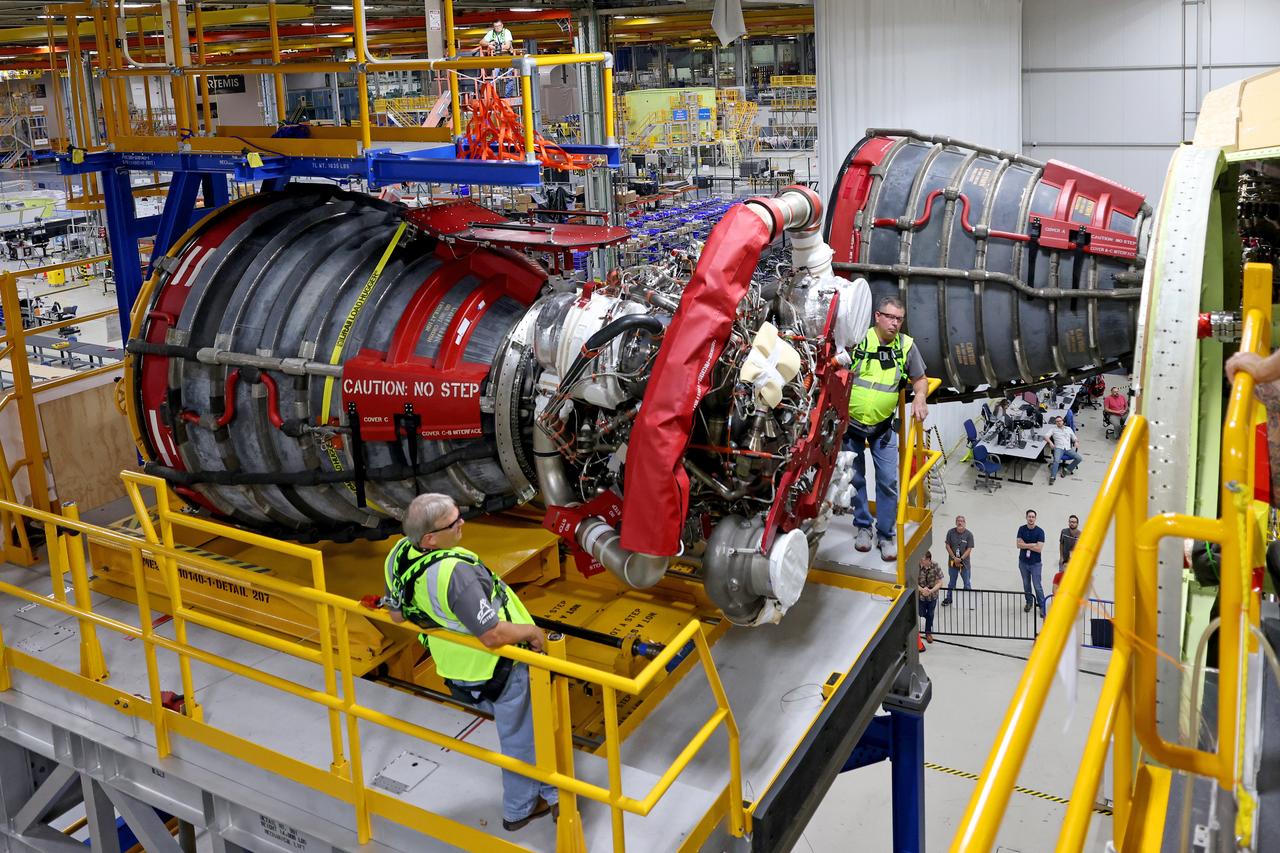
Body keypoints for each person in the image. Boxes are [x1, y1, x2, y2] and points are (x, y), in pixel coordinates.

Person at [383, 493, 558, 832]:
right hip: (497, 667)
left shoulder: (398, 555)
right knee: (523, 737)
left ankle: (551, 791)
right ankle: (519, 809)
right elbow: (492, 634)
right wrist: (533, 632)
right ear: (430, 538)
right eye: (453, 522)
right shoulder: (454, 574)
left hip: (455, 668)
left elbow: (396, 613)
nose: (462, 522)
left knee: (525, 731)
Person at [844, 294, 929, 562]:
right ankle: (863, 527)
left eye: (899, 319)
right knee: (854, 478)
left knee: (888, 482)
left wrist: (920, 396)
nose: (894, 324)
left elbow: (920, 379)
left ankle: (885, 533)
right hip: (850, 426)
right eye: (890, 317)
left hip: (883, 429)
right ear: (877, 317)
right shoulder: (857, 341)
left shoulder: (905, 346)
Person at [1017, 509, 1047, 617]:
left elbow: (1039, 549)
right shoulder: (1021, 529)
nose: (1031, 518)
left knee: (1037, 585)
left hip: (1035, 564)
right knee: (1026, 584)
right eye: (1029, 516)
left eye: (1033, 517)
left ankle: (1042, 606)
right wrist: (1032, 545)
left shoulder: (1040, 531)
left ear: (1035, 518)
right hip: (1023, 563)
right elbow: (1018, 545)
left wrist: (1025, 544)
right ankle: (1029, 602)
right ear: (1026, 517)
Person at [476, 20, 517, 98]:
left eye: (499, 26)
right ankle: (493, 95)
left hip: (507, 56)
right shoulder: (492, 33)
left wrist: (495, 47)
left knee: (509, 77)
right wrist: (489, 44)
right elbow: (481, 42)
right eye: (495, 27)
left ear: (502, 25)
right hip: (497, 57)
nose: (497, 28)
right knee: (494, 76)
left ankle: (507, 96)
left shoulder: (506, 32)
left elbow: (507, 46)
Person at [941, 514, 975, 608]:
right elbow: (947, 545)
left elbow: (969, 549)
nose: (960, 522)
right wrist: (954, 557)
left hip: (965, 564)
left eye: (962, 521)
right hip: (952, 564)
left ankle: (968, 601)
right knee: (952, 582)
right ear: (956, 522)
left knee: (967, 583)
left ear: (965, 523)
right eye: (958, 521)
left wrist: (961, 559)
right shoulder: (950, 532)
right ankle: (949, 598)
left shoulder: (969, 535)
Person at [1045, 415, 1082, 485]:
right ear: (1055, 423)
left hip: (1068, 448)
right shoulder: (1053, 429)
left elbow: (1074, 438)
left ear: (1063, 421)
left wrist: (1076, 442)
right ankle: (1053, 476)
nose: (1059, 422)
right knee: (1056, 460)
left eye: (1060, 421)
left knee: (1079, 458)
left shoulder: (1068, 429)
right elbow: (1046, 436)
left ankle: (1067, 469)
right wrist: (1050, 443)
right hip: (1059, 448)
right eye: (1057, 421)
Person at [917, 550, 944, 644]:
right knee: (920, 612)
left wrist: (930, 591)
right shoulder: (917, 566)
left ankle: (928, 632)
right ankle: (928, 618)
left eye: (923, 559)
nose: (921, 560)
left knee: (931, 614)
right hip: (920, 596)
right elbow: (912, 581)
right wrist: (922, 590)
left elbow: (940, 582)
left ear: (928, 560)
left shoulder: (935, 565)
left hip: (932, 596)